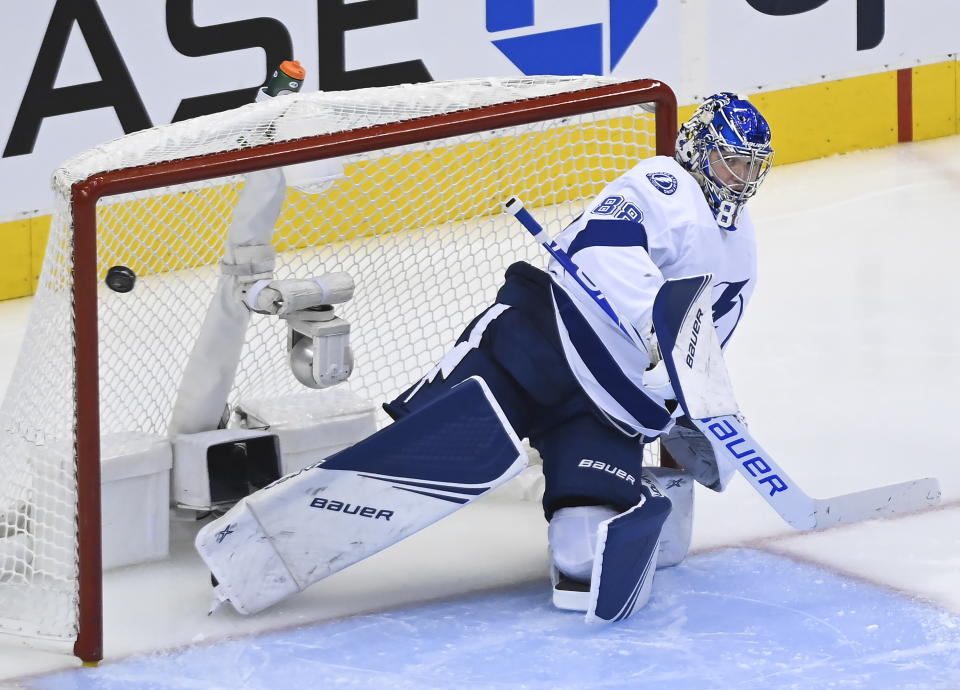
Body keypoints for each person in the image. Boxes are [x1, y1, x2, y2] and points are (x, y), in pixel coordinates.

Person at [383, 92, 775, 614]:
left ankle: (592, 518)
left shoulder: (740, 246)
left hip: (609, 407)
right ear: (698, 149)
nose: (741, 178)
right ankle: (365, 473)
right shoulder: (664, 184)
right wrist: (653, 317)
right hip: (542, 348)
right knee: (427, 442)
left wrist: (695, 400)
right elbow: (601, 243)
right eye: (731, 161)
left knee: (583, 557)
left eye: (751, 166)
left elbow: (706, 339)